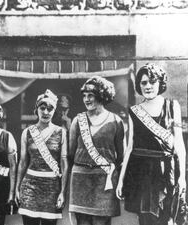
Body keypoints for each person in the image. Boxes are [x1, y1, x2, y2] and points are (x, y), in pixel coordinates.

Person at [116, 64, 186, 225]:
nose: (147, 86)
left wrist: (182, 177)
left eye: (152, 82)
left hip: (165, 170)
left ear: (160, 83)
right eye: (143, 82)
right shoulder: (134, 111)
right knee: (146, 219)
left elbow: (179, 145)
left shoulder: (172, 106)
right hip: (141, 172)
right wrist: (121, 179)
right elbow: (130, 147)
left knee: (167, 218)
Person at [68, 76, 124, 225]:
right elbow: (71, 153)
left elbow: (121, 156)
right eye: (84, 96)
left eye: (90, 95)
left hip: (104, 180)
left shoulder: (116, 121)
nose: (86, 99)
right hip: (81, 178)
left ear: (101, 95)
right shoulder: (77, 121)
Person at [15, 89, 68, 225]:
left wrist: (62, 192)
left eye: (50, 109)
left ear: (54, 111)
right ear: (36, 109)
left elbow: (64, 164)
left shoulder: (61, 132)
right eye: (42, 108)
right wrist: (17, 188)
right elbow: (22, 162)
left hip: (52, 188)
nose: (45, 112)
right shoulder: (27, 132)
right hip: (29, 187)